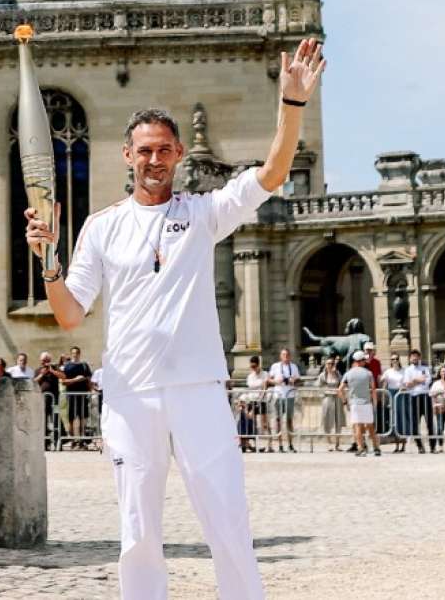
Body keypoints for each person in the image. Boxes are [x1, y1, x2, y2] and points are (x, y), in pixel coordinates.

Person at [22, 36, 325, 600]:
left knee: (228, 523)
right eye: (144, 151)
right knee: (138, 533)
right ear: (127, 155)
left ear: (179, 155)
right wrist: (48, 259)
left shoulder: (205, 213)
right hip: (131, 395)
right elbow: (68, 314)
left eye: (164, 150)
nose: (154, 160)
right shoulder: (103, 227)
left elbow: (274, 172)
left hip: (198, 390)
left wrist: (292, 104)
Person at [340, 351, 377, 457]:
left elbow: (340, 389)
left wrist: (345, 401)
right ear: (360, 361)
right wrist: (374, 402)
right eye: (364, 360)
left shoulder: (348, 373)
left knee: (357, 427)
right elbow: (373, 389)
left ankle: (361, 448)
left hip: (354, 403)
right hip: (366, 402)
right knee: (370, 427)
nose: (365, 362)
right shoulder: (368, 373)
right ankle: (376, 448)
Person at [268, 348, 301, 453]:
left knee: (289, 420)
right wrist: (276, 381)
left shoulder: (294, 366)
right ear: (280, 356)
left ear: (290, 356)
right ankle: (280, 445)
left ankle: (290, 444)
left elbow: (299, 380)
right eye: (283, 355)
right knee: (278, 420)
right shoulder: (275, 366)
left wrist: (293, 381)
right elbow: (268, 379)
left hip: (290, 395)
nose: (285, 357)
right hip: (278, 395)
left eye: (287, 355)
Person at [402, 349, 434, 453]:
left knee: (429, 422)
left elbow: (427, 381)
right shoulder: (408, 370)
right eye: (412, 357)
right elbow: (407, 385)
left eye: (416, 356)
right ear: (410, 358)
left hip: (425, 396)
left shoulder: (425, 368)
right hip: (414, 397)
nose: (414, 358)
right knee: (415, 423)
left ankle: (432, 446)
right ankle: (420, 445)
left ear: (419, 357)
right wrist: (417, 380)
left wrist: (414, 381)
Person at [62, 346, 94, 449]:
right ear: (71, 354)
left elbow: (89, 380)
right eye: (73, 353)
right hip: (71, 396)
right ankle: (73, 440)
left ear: (79, 354)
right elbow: (63, 381)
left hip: (83, 396)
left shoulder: (84, 366)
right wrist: (76, 380)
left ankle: (82, 440)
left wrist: (91, 392)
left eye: (77, 353)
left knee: (82, 419)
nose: (75, 354)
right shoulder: (67, 366)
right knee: (71, 419)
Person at [316, 356, 345, 452]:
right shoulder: (322, 375)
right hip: (328, 398)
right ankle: (329, 443)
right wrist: (323, 395)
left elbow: (342, 384)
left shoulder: (338, 374)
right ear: (325, 364)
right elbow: (318, 387)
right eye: (328, 363)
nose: (330, 365)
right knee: (327, 421)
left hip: (337, 399)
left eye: (332, 363)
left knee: (338, 421)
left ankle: (337, 444)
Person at [34, 352, 62, 449]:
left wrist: (52, 371)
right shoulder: (38, 370)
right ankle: (45, 443)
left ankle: (57, 442)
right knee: (43, 421)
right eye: (43, 360)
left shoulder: (54, 368)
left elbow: (63, 376)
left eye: (47, 360)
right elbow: (33, 382)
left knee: (56, 420)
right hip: (42, 400)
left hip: (55, 400)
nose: (45, 362)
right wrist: (42, 374)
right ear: (40, 361)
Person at [380, 354, 406, 452]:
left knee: (401, 419)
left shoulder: (404, 371)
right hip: (391, 394)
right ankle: (396, 445)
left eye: (396, 359)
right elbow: (383, 382)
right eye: (392, 359)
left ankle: (403, 445)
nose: (394, 361)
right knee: (393, 420)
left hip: (401, 394)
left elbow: (406, 382)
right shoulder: (388, 371)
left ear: (399, 360)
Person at [429, 365, 445, 444]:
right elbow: (430, 394)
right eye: (442, 371)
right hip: (439, 407)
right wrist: (438, 392)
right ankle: (440, 444)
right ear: (440, 373)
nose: (444, 373)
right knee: (440, 427)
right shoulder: (436, 383)